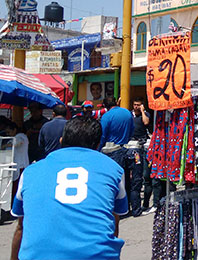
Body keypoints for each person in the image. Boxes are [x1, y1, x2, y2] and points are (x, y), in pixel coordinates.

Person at [10, 118, 128, 260]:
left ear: (61, 141)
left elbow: (21, 227)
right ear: (97, 145)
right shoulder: (114, 170)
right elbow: (114, 222)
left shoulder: (30, 172)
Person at [100, 96, 142, 217]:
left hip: (113, 151)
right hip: (128, 149)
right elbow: (131, 130)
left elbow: (102, 135)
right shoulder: (127, 113)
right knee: (130, 181)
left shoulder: (107, 116)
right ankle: (131, 208)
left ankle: (120, 210)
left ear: (105, 106)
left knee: (116, 181)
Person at [130, 97, 153, 214]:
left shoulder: (145, 114)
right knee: (134, 176)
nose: (136, 107)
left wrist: (143, 111)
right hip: (132, 147)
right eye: (135, 105)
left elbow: (146, 122)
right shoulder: (130, 115)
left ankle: (145, 204)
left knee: (145, 175)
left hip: (143, 146)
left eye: (139, 105)